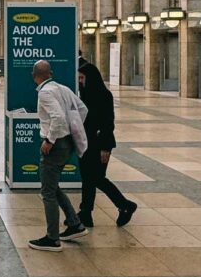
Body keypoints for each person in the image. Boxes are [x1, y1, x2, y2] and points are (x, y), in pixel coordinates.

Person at [28, 60, 89, 251]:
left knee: (47, 192)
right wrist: (73, 130)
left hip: (55, 146)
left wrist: (50, 140)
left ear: (34, 75)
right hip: (69, 143)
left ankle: (52, 238)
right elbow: (82, 109)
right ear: (50, 73)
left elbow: (58, 117)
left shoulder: (45, 93)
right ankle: (74, 223)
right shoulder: (63, 88)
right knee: (53, 187)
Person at [77, 59, 137, 227]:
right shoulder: (85, 94)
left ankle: (125, 205)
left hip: (99, 144)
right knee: (88, 179)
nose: (80, 81)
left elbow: (107, 123)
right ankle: (86, 213)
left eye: (82, 78)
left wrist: (105, 148)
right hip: (86, 142)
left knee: (96, 178)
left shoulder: (103, 95)